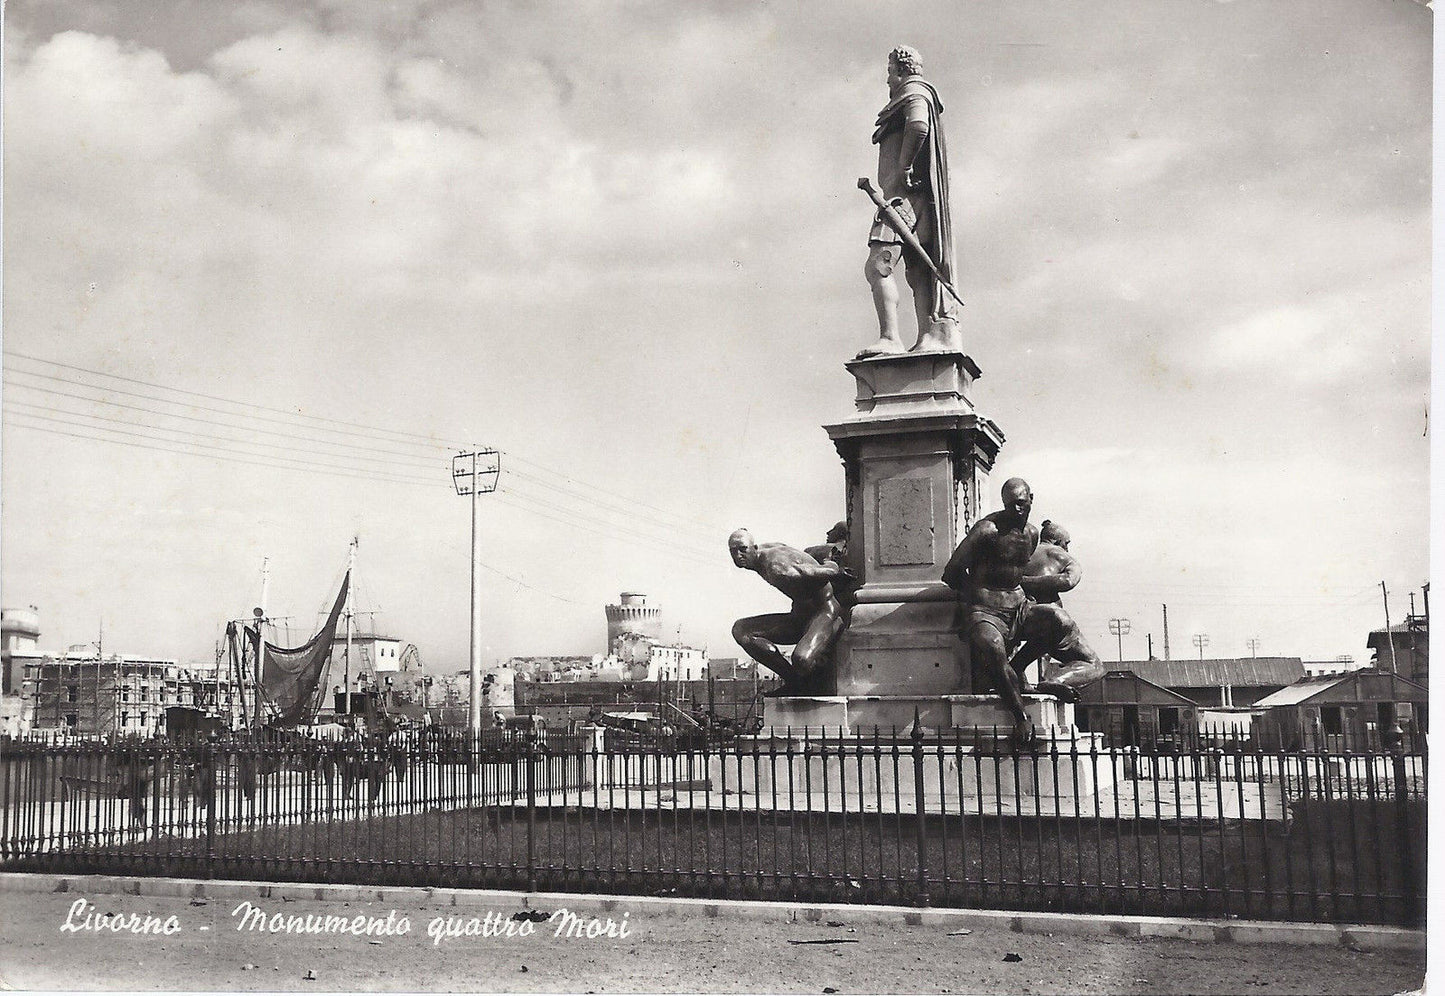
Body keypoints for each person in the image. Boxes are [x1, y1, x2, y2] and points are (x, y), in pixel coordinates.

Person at [860, 45, 961, 358]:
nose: (888, 80)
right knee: (917, 270)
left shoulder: (913, 93)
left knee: (878, 265)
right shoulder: (918, 93)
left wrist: (903, 167)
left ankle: (890, 338)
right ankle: (928, 336)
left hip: (902, 199)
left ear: (900, 70)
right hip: (913, 198)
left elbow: (918, 125)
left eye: (889, 71)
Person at [941, 478, 1040, 745]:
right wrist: (976, 594)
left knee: (1058, 622)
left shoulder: (1032, 533)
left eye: (1021, 504)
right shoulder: (987, 530)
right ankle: (1020, 716)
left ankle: (1016, 668)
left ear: (1032, 498)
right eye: (1011, 505)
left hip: (1017, 607)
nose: (1016, 510)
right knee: (994, 647)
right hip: (984, 609)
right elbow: (950, 573)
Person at [729, 528, 854, 694]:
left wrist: (833, 567)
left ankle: (835, 625)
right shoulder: (766, 549)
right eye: (733, 551)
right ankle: (795, 682)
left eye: (743, 549)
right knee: (741, 630)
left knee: (801, 661)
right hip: (800, 616)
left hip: (824, 612)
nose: (738, 556)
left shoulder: (775, 568)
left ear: (754, 547)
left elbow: (811, 571)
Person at [1008, 520, 1106, 700]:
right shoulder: (1061, 555)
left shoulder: (1021, 554)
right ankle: (1057, 680)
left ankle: (1022, 673)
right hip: (1051, 622)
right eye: (1067, 544)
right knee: (1094, 665)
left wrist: (1021, 581)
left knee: (1043, 645)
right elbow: (1068, 581)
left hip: (1017, 617)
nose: (1067, 548)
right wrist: (1028, 582)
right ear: (1058, 542)